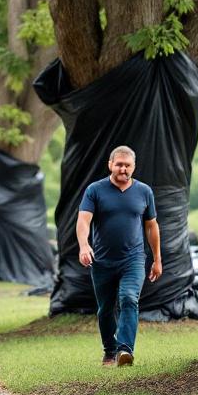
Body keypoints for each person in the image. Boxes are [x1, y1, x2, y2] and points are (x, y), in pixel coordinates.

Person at [77, 145, 162, 366]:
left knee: (128, 299)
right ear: (110, 165)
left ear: (134, 167)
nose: (123, 169)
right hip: (103, 261)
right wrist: (84, 245)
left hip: (133, 259)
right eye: (119, 164)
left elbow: (152, 227)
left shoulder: (144, 192)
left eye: (127, 165)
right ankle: (109, 349)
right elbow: (84, 220)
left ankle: (125, 350)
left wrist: (157, 259)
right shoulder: (95, 190)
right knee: (105, 308)